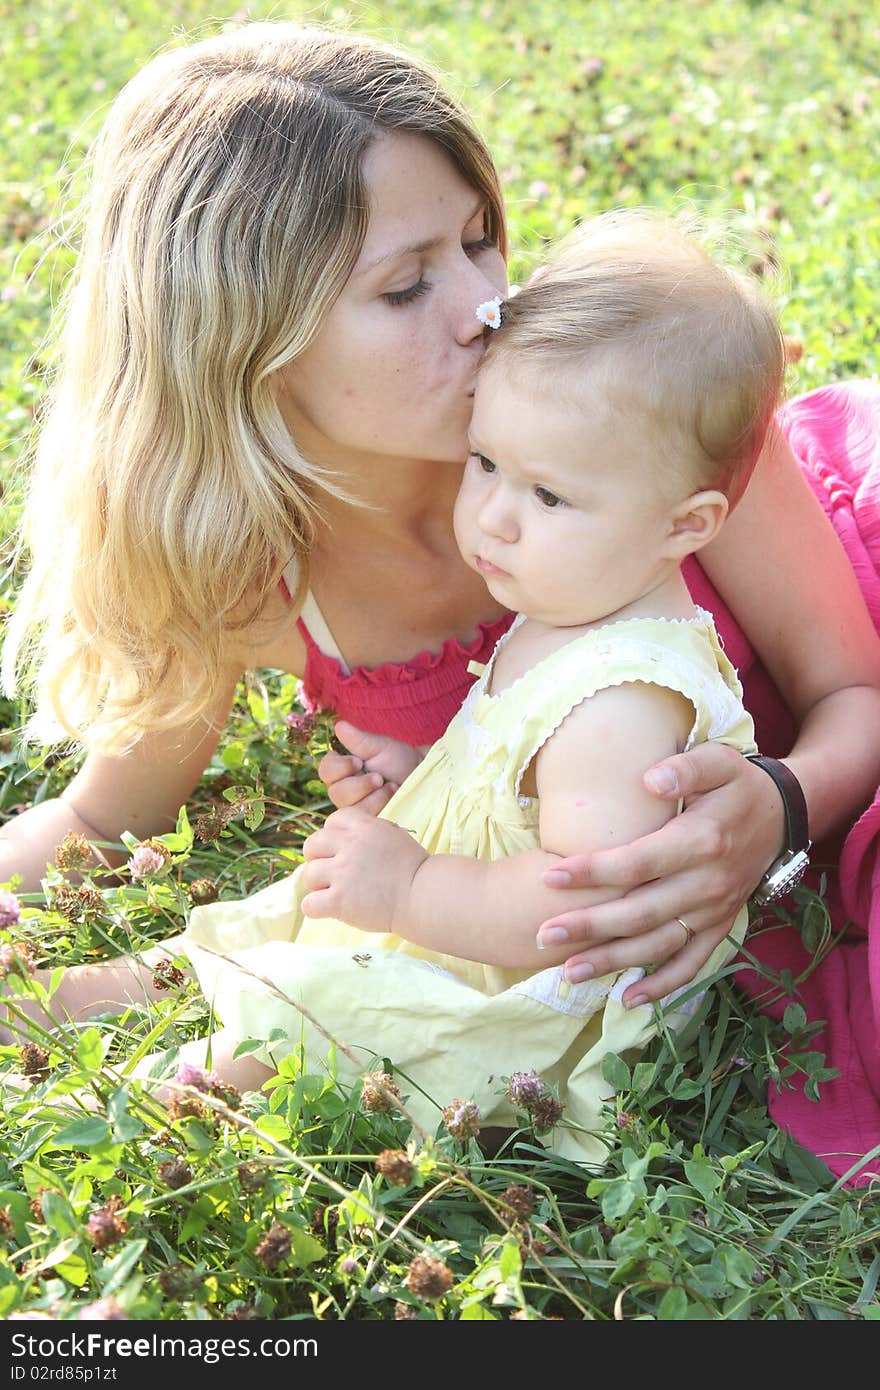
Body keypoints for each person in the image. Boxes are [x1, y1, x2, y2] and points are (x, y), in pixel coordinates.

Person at [0, 24, 879, 1172]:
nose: (483, 304)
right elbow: (106, 816)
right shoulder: (259, 576)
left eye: (478, 241)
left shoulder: (633, 419)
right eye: (408, 284)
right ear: (242, 346)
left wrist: (779, 803)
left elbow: (852, 687)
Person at [180, 209, 781, 1162]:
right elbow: (533, 794)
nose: (495, 518)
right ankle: (168, 981)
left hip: (526, 1014)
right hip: (471, 928)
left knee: (324, 1003)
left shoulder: (622, 697)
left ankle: (195, 1088)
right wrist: (435, 773)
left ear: (686, 525)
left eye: (548, 496)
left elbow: (572, 910)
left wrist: (414, 883)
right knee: (297, 905)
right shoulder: (576, 600)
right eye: (486, 463)